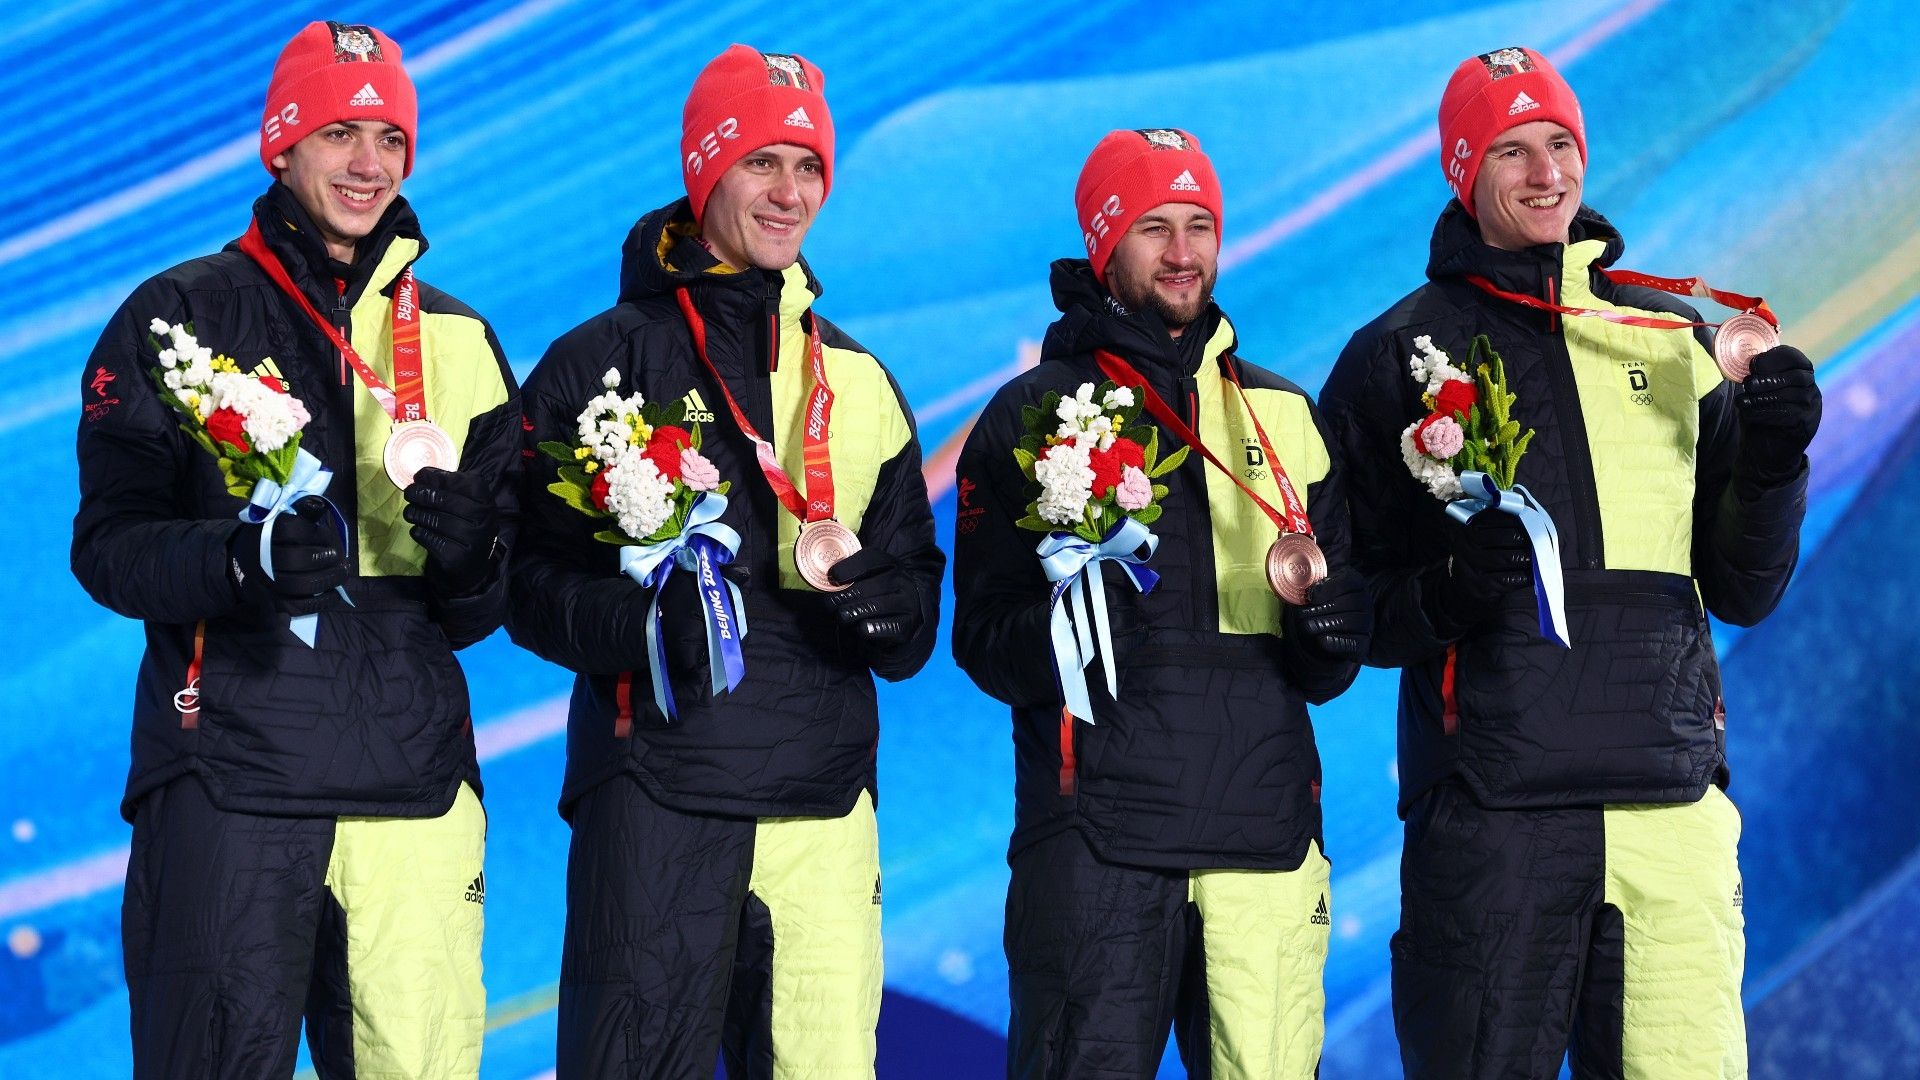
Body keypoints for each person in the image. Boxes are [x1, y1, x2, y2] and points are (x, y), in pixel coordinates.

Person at [1318, 46, 1819, 1079]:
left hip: (1669, 805)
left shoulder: (1670, 335)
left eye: (1560, 144)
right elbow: (1346, 613)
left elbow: (1744, 588)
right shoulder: (1396, 357)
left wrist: (1772, 463)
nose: (1546, 173)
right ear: (1464, 166)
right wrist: (1454, 589)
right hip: (1497, 816)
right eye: (1512, 149)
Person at [71, 20, 518, 1079]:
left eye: (390, 140)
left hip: (415, 785)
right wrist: (238, 561)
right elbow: (110, 546)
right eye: (339, 133)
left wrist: (472, 559)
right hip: (229, 771)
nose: (369, 165)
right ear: (281, 145)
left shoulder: (461, 340)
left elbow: (482, 608)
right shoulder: (178, 315)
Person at [506, 44, 944, 1079]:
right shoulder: (596, 362)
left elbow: (916, 594)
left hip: (826, 798)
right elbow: (519, 582)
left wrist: (892, 610)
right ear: (707, 171)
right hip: (657, 790)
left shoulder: (860, 376)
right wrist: (636, 630)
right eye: (762, 163)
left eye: (810, 168)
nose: (790, 193)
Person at [952, 128, 1372, 1079]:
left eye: (1199, 226)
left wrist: (1335, 631)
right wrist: (1071, 625)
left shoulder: (1285, 414)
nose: (1183, 253)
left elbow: (1330, 650)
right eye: (1153, 228)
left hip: (1265, 841)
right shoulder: (1032, 414)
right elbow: (979, 640)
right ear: (1106, 246)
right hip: (1098, 848)